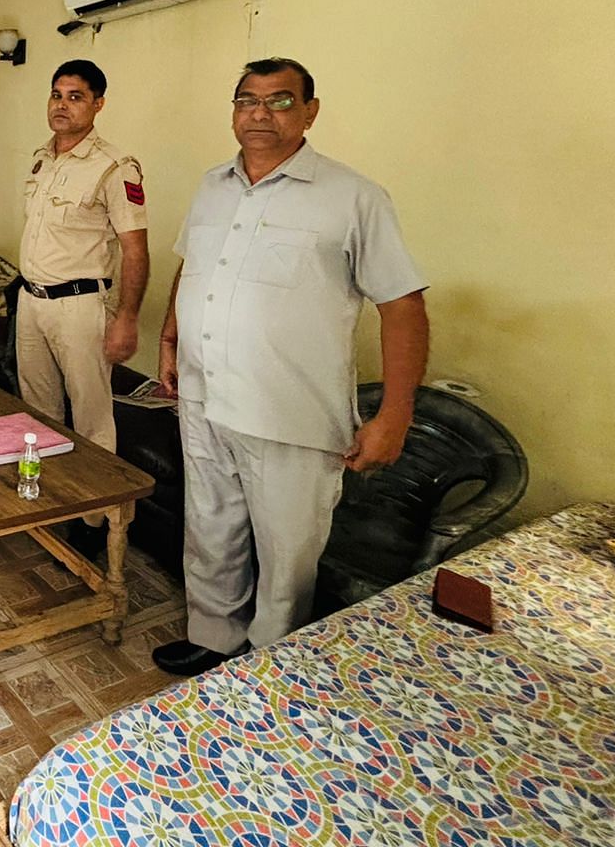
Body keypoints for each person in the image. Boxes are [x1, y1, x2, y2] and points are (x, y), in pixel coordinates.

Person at [152, 57, 429, 677]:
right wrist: (170, 338)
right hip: (203, 394)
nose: (260, 112)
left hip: (290, 410)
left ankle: (271, 665)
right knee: (210, 524)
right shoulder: (211, 185)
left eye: (280, 101)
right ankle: (215, 637)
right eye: (247, 99)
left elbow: (402, 305)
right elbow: (190, 265)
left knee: (288, 553)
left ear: (310, 112)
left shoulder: (353, 197)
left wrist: (396, 414)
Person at [17, 60, 150, 556]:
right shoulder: (42, 159)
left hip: (80, 306)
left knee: (91, 417)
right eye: (56, 94)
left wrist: (127, 318)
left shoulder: (115, 167)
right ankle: (50, 500)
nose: (61, 104)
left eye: (75, 96)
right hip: (31, 300)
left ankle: (95, 521)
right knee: (37, 410)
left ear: (98, 104)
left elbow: (135, 249)